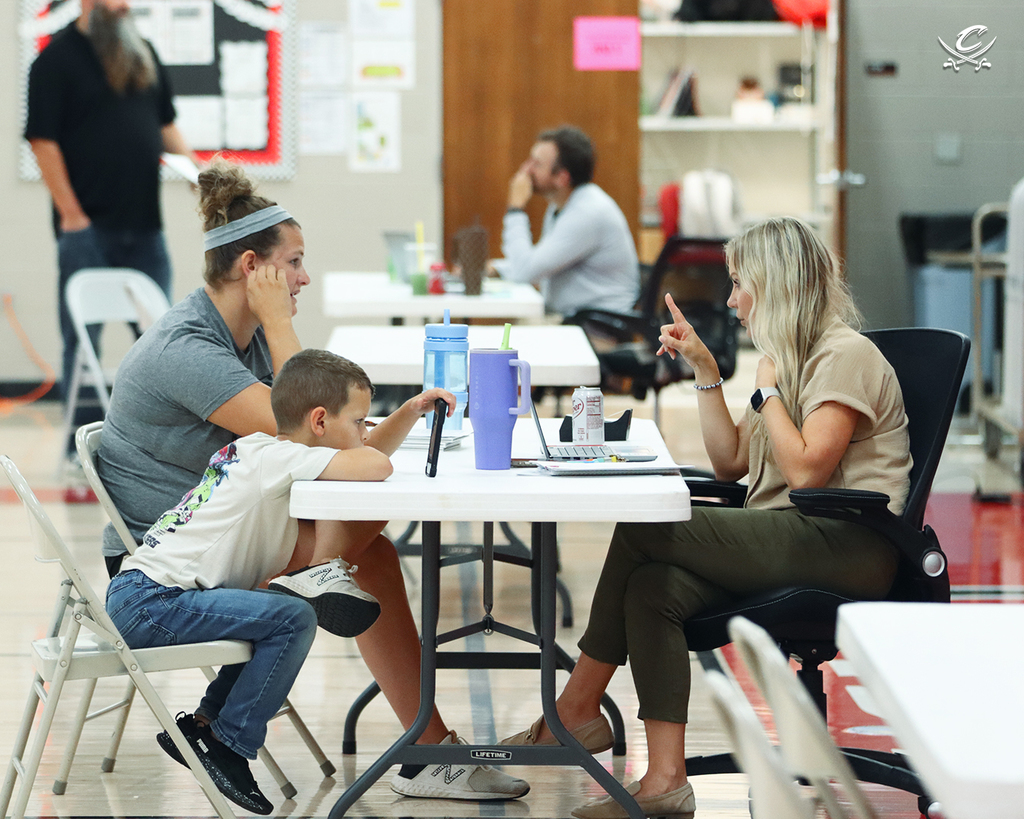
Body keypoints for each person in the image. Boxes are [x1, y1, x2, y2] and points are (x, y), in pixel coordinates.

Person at [97, 159, 531, 802]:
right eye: (293, 263)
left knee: (371, 550)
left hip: (220, 527)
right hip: (166, 557)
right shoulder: (189, 350)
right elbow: (293, 424)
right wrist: (278, 322)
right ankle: (426, 747)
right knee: (365, 538)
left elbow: (310, 432)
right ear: (254, 268)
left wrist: (388, 418)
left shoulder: (233, 337)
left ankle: (426, 745)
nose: (303, 278)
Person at [501, 217, 911, 819]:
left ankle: (575, 711)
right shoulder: (790, 359)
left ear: (776, 285)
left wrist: (767, 390)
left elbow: (806, 474)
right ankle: (665, 781)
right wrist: (706, 370)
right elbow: (730, 463)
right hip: (790, 537)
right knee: (652, 588)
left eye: (740, 283)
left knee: (645, 524)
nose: (731, 300)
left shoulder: (843, 356)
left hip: (849, 545)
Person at [105, 350, 393, 815]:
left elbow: (370, 455)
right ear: (320, 420)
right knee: (294, 616)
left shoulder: (260, 448)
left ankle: (204, 725)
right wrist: (376, 444)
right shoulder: (279, 458)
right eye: (360, 422)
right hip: (153, 603)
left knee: (274, 614)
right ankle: (229, 745)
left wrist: (409, 413)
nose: (366, 433)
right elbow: (377, 465)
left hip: (140, 592)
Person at [24, 0, 198, 450]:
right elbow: (42, 142)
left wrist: (199, 174)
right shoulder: (54, 61)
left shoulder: (143, 54)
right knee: (82, 343)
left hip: (145, 227)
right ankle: (82, 445)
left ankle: (158, 442)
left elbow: (166, 125)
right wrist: (72, 216)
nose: (124, 7)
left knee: (160, 338)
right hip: (87, 230)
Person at [500, 125, 640, 318]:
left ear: (562, 178)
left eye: (536, 164)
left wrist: (515, 209)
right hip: (572, 318)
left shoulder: (587, 213)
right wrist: (496, 269)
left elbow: (525, 272)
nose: (526, 170)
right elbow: (541, 260)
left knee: (510, 339)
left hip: (596, 327)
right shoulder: (564, 205)